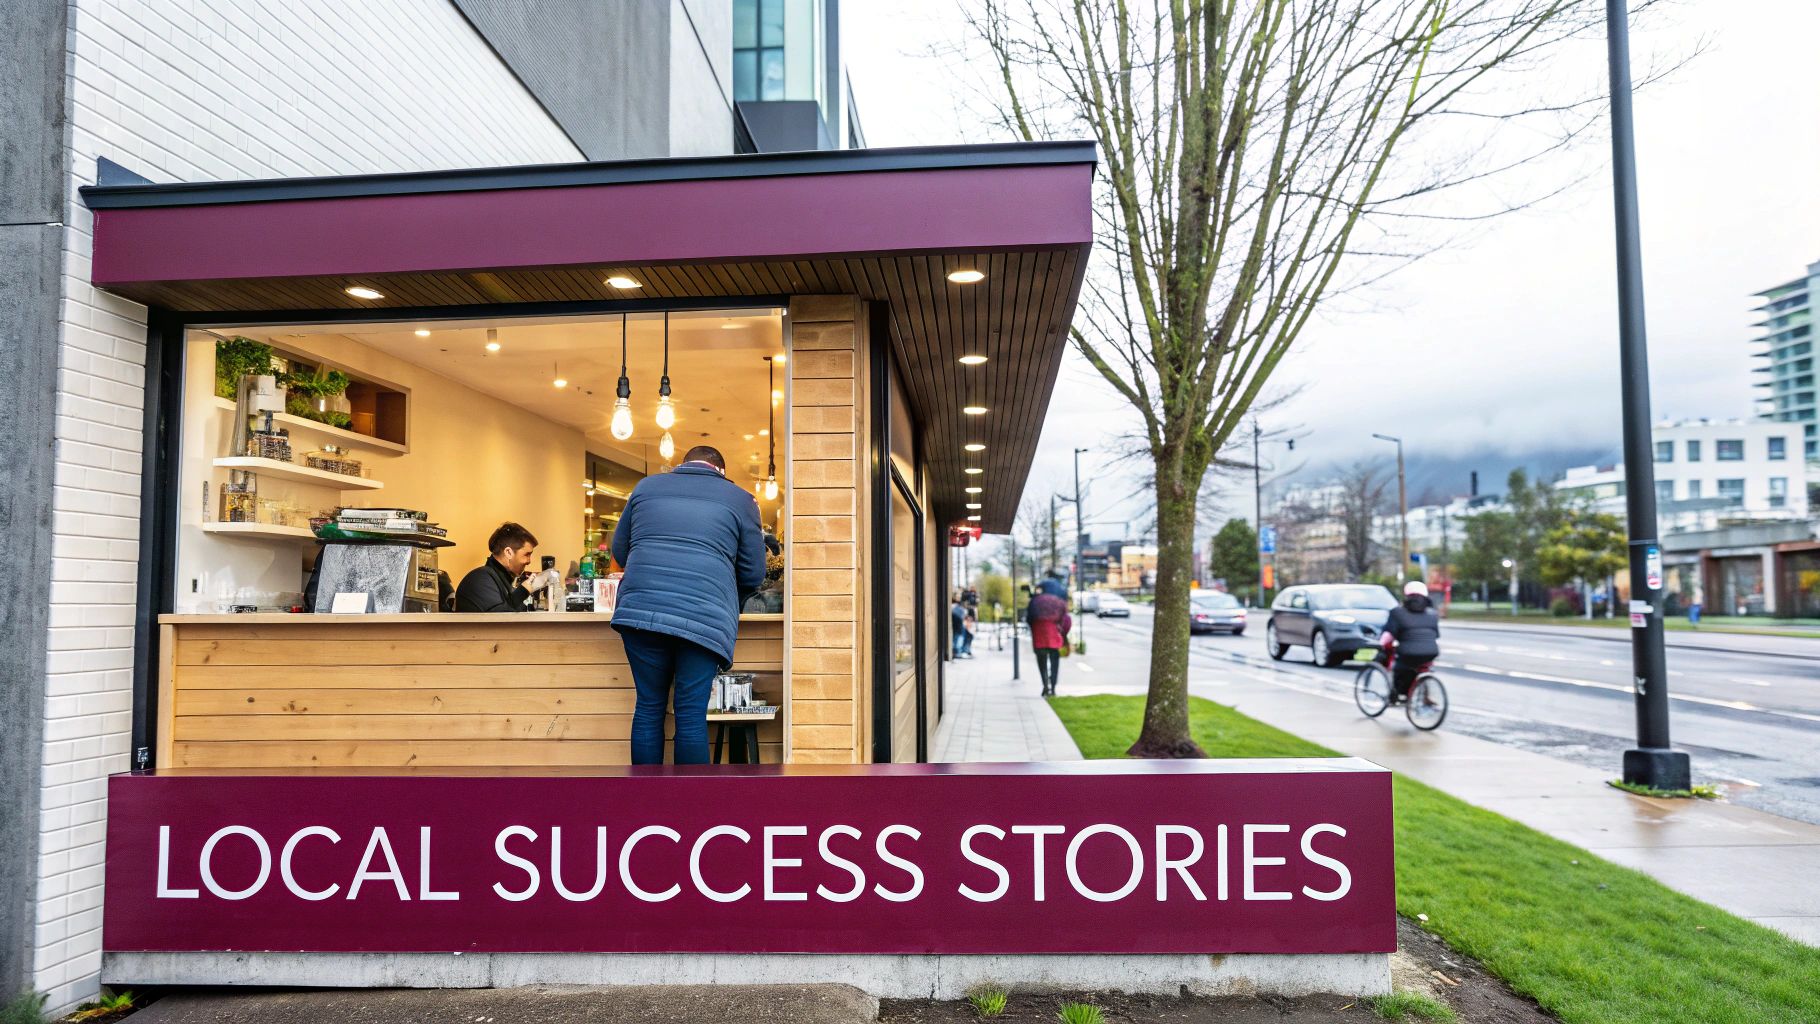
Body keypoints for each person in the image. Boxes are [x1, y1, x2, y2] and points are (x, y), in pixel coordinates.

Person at [610, 446, 766, 765]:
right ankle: (690, 808)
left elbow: (621, 552)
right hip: (704, 616)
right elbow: (753, 573)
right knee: (690, 715)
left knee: (649, 707)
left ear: (683, 466)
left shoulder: (646, 487)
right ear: (721, 472)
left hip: (640, 611)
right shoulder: (740, 499)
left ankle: (645, 802)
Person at [454, 522, 547, 612]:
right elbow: (501, 619)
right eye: (527, 554)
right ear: (508, 552)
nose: (529, 561)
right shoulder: (480, 578)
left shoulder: (498, 579)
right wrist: (523, 591)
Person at [1380, 580, 1440, 702]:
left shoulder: (1397, 612)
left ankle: (1398, 695)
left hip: (1408, 652)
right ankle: (1424, 695)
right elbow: (1436, 634)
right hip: (1431, 651)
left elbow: (1389, 635)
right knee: (1421, 667)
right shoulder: (1433, 614)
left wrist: (1380, 644)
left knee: (1400, 668)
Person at [1026, 574, 1072, 697]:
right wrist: (1063, 633)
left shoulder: (1035, 601)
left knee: (1041, 662)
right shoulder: (1059, 603)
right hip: (1054, 637)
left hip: (1039, 637)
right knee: (1054, 662)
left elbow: (1029, 618)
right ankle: (1053, 687)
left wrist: (1034, 629)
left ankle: (1045, 685)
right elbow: (1066, 621)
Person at [951, 593, 970, 659]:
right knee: (957, 640)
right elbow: (963, 617)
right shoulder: (960, 609)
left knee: (956, 639)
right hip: (958, 626)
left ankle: (956, 652)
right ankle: (957, 652)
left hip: (956, 626)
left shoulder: (955, 607)